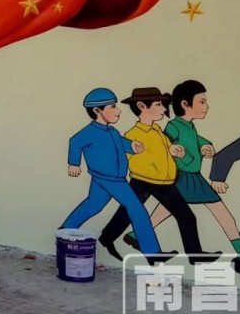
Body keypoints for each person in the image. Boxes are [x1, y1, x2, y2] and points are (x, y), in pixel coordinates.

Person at [98, 86, 217, 264]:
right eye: (158, 104)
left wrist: (173, 151)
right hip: (149, 181)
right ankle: (194, 255)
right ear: (141, 106)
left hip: (161, 181)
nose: (163, 109)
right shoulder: (133, 134)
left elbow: (166, 150)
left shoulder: (157, 131)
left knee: (128, 212)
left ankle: (106, 237)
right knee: (184, 216)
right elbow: (134, 160)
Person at [61, 88, 174, 264]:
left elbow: (120, 143)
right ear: (97, 110)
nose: (118, 111)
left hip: (109, 178)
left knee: (93, 204)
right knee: (137, 209)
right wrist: (73, 164)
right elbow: (74, 142)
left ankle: (65, 229)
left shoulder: (112, 131)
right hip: (111, 179)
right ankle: (152, 252)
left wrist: (132, 146)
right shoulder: (89, 132)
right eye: (112, 107)